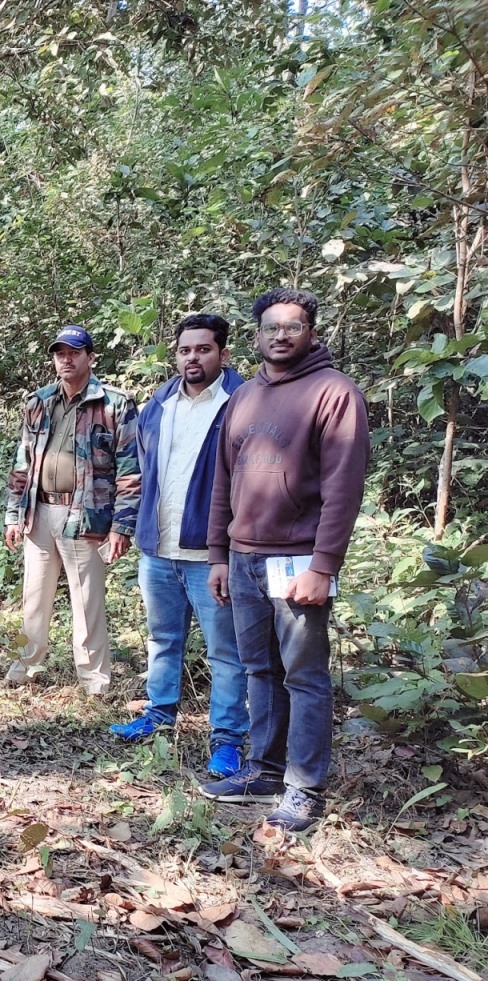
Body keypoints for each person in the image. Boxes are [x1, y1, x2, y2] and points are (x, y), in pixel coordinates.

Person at [201, 288, 368, 834]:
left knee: (303, 675)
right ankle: (265, 769)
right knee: (259, 669)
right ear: (257, 334)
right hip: (244, 558)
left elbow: (344, 488)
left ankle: (303, 787)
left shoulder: (334, 393)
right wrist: (219, 555)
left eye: (292, 326)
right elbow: (224, 482)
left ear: (311, 333)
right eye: (271, 326)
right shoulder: (243, 397)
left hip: (298, 559)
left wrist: (324, 565)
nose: (281, 335)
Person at [109, 315, 248, 779]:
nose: (193, 358)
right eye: (186, 350)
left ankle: (228, 740)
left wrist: (225, 552)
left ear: (222, 354)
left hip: (209, 556)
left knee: (224, 652)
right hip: (159, 548)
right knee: (162, 639)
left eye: (203, 350)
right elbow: (140, 468)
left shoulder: (239, 402)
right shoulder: (161, 401)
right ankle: (158, 714)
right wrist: (132, 526)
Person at [3, 326, 140, 696]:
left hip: (86, 517)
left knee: (87, 601)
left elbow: (130, 471)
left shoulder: (114, 404)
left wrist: (121, 527)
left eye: (74, 352)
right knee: (33, 597)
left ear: (90, 357)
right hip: (40, 511)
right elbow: (22, 463)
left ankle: (94, 678)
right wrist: (13, 515)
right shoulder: (39, 402)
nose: (66, 358)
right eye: (60, 352)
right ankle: (25, 663)